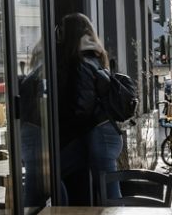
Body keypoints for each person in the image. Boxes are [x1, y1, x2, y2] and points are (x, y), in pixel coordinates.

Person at [54, 13, 132, 204]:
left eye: (62, 31)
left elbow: (83, 107)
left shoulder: (81, 62)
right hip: (104, 133)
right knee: (106, 192)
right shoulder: (96, 56)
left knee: (110, 196)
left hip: (100, 135)